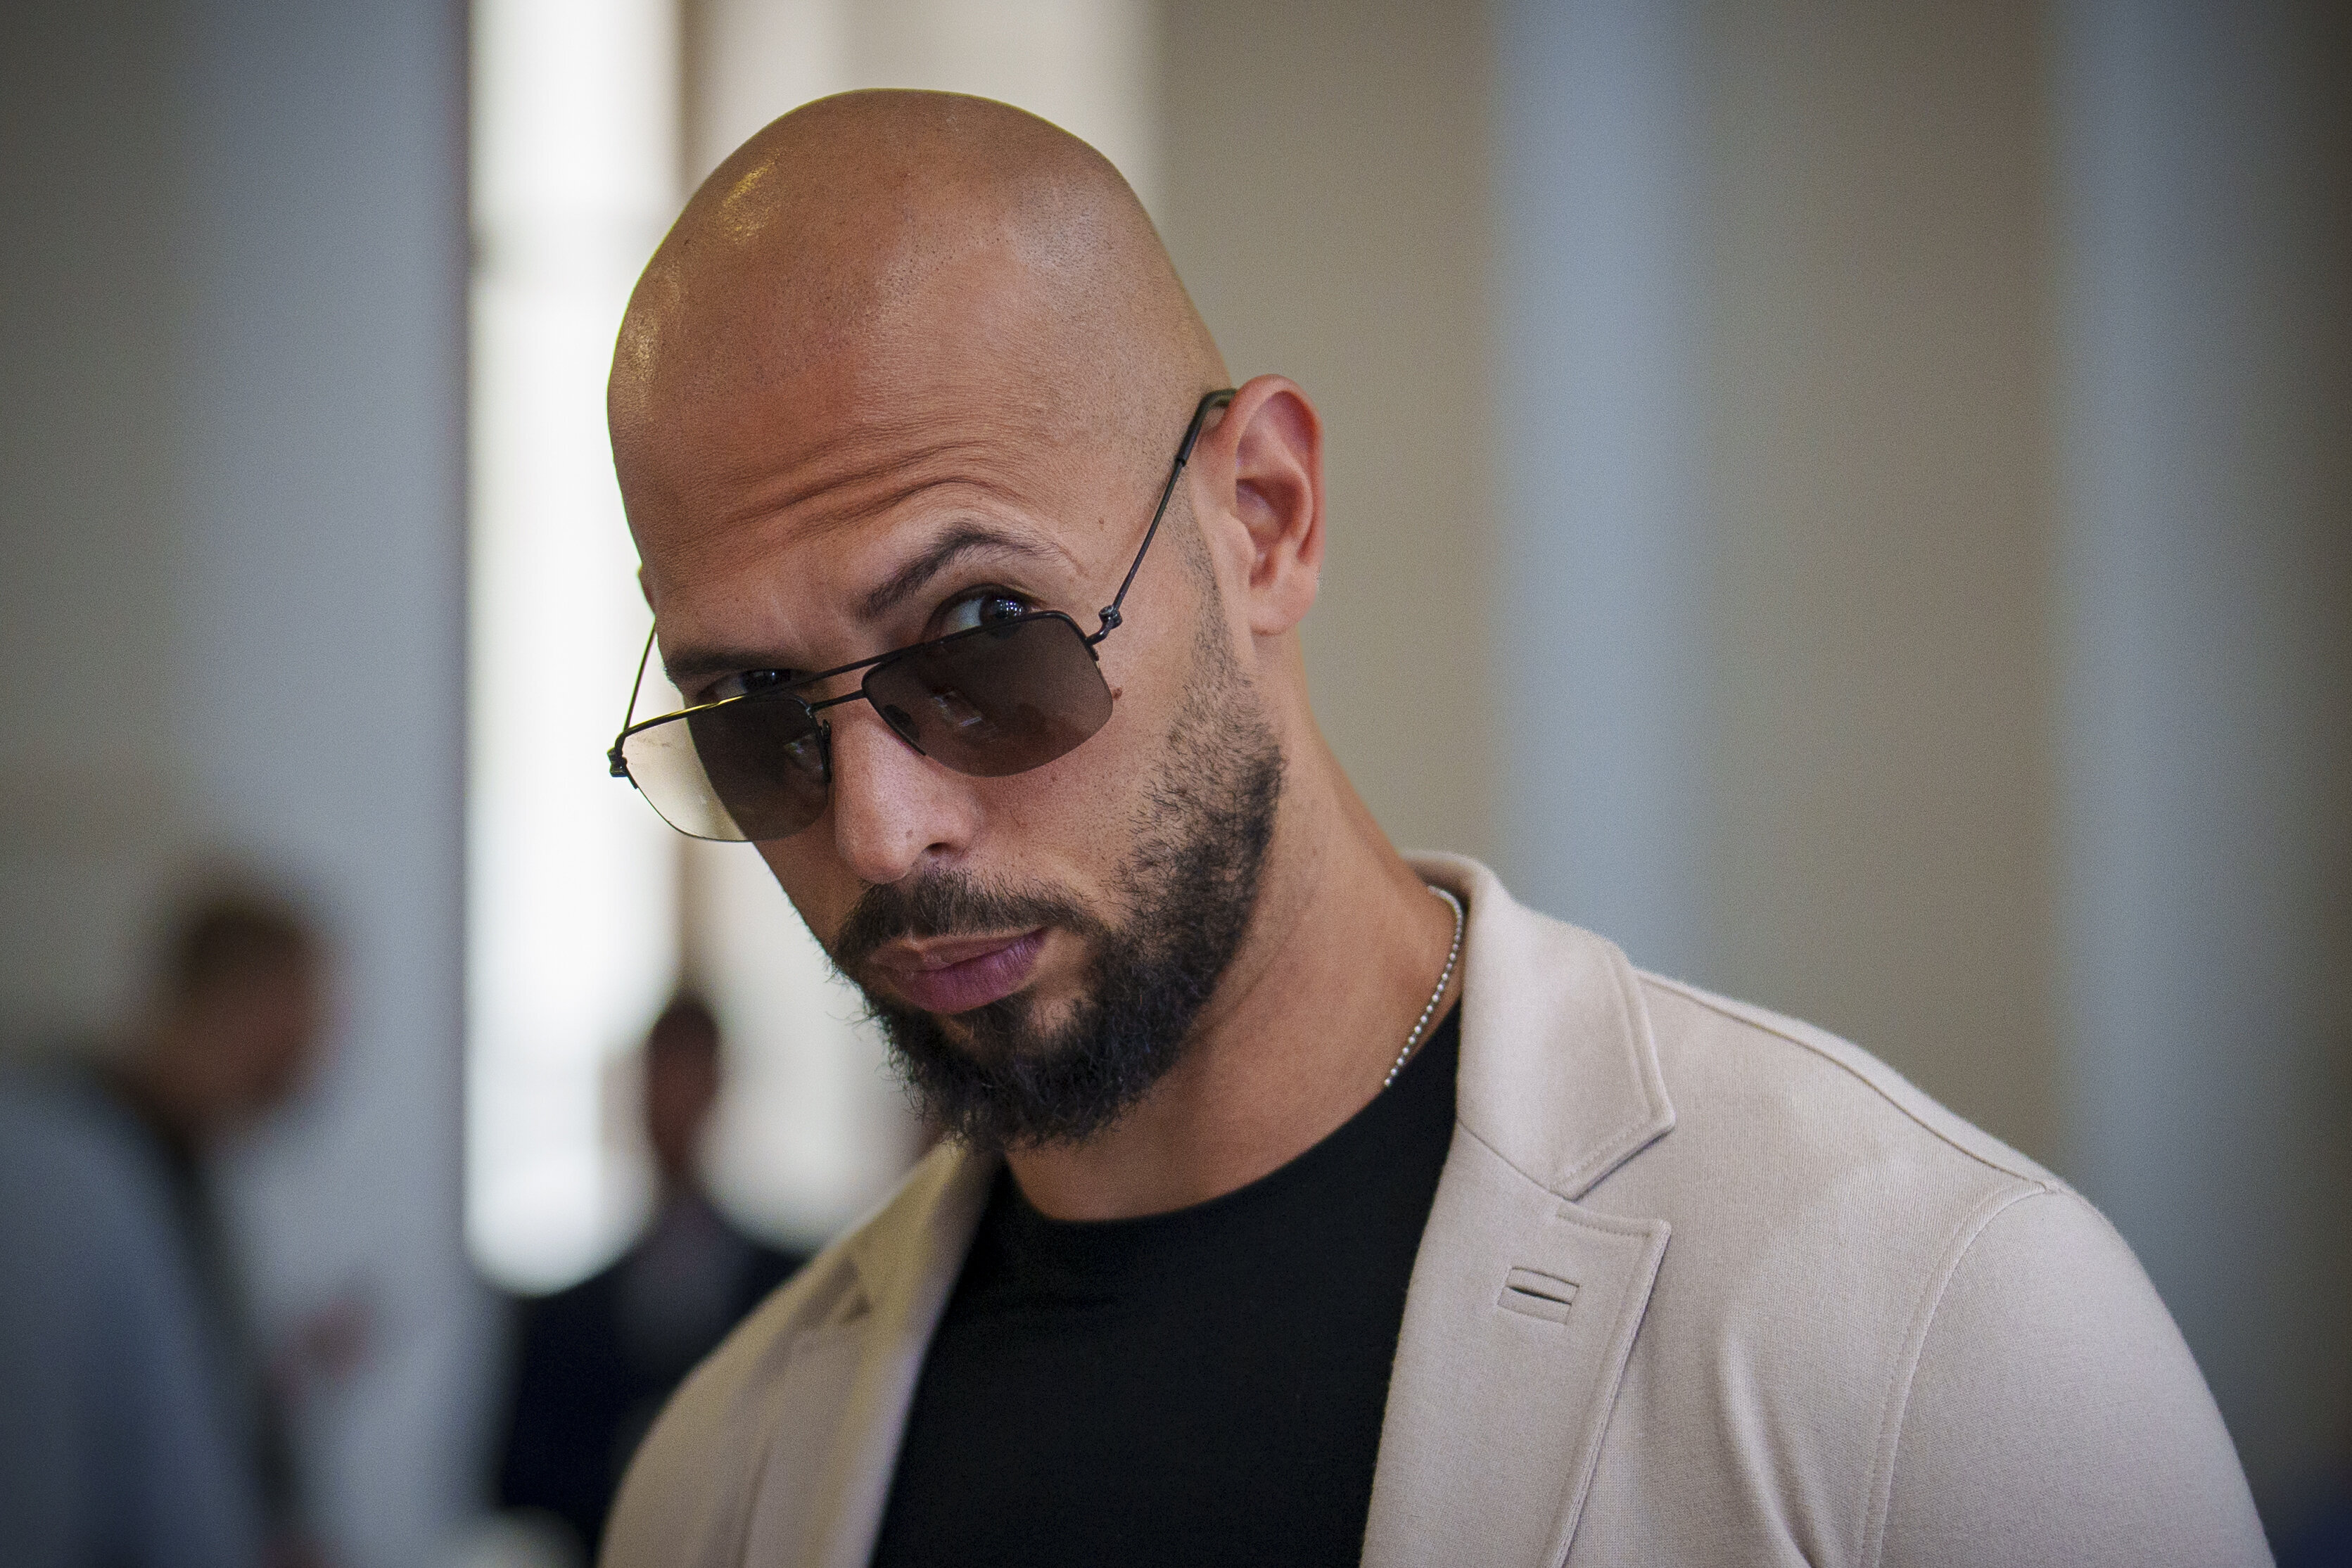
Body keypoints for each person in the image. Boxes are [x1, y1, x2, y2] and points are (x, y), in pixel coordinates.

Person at [592, 90, 2265, 1567]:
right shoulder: (719, 1483)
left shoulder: (1933, 1336)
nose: (882, 835)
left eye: (980, 643)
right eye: (750, 726)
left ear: (1263, 520)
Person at [0, 884, 326, 1568]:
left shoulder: (186, 1166)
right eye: (308, 1013)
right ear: (249, 1004)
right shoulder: (73, 1172)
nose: (317, 1054)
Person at [497, 993, 806, 1561]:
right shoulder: (560, 1317)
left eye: (689, 1075)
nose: (672, 1100)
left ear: (717, 1086)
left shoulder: (801, 1289)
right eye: (659, 1077)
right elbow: (515, 1480)